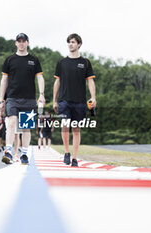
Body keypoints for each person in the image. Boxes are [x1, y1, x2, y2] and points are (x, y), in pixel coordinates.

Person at [0, 33, 45, 165]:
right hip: (12, 97)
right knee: (11, 123)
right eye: (19, 41)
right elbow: (4, 80)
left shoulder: (34, 60)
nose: (21, 43)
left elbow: (40, 77)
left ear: (28, 43)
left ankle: (24, 154)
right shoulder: (9, 60)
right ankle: (8, 152)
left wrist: (41, 94)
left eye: (24, 41)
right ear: (16, 43)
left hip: (29, 98)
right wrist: (1, 99)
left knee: (26, 128)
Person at [53, 34, 96, 167]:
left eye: (73, 42)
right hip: (64, 100)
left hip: (80, 101)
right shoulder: (61, 62)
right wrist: (54, 100)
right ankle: (66, 152)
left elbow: (90, 81)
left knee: (76, 129)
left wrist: (93, 97)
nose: (70, 44)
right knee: (65, 126)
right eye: (69, 42)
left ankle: (75, 158)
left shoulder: (86, 63)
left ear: (79, 44)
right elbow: (57, 81)